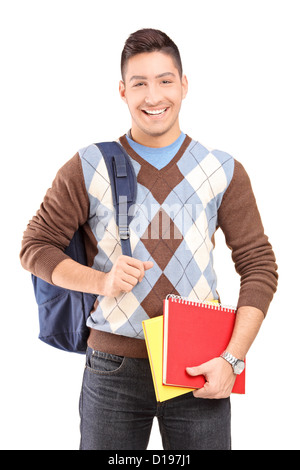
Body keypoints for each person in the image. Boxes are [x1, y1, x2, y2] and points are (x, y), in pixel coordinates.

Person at [20, 28, 278, 450]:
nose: (153, 96)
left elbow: (259, 266)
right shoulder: (90, 164)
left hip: (200, 366)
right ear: (122, 91)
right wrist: (101, 282)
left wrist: (232, 359)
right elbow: (35, 246)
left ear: (184, 85)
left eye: (165, 80)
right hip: (112, 369)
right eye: (139, 83)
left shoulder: (222, 170)